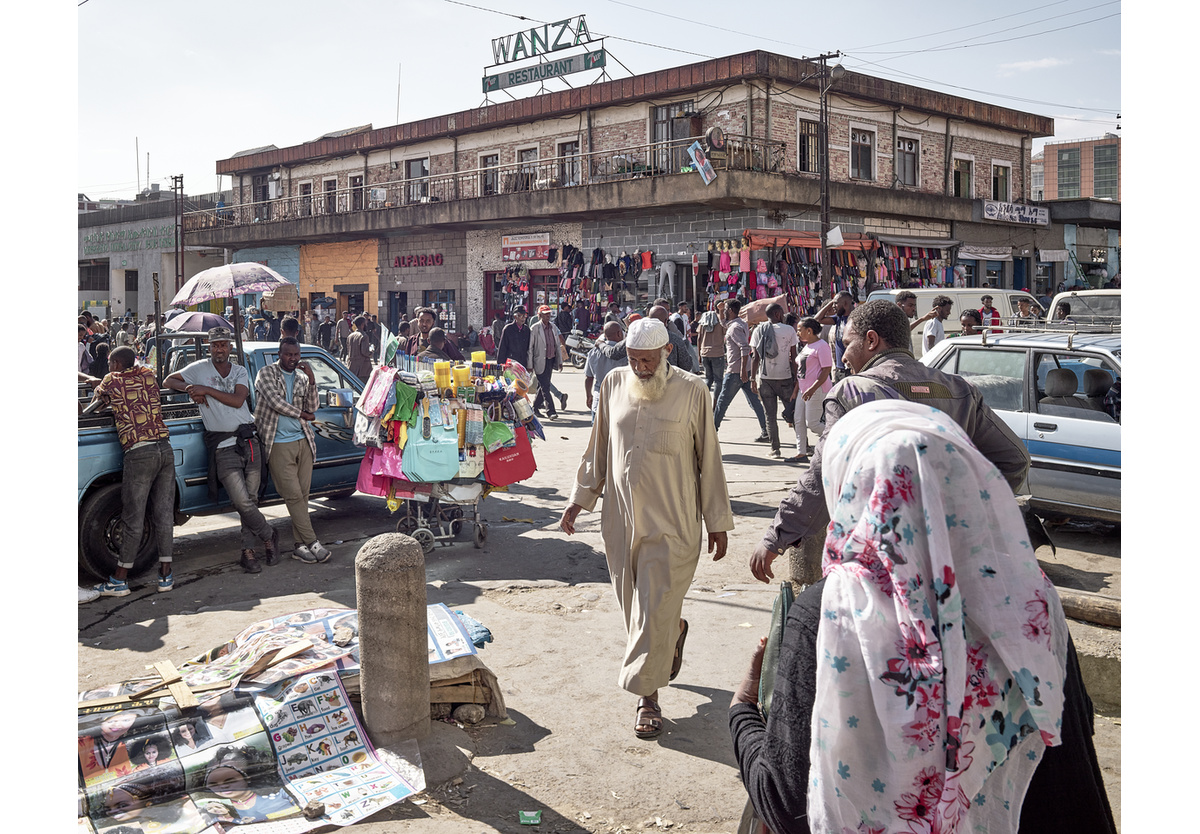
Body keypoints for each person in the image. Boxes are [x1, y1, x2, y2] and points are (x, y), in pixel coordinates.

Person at [730, 401, 1115, 834]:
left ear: (849, 487)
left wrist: (742, 711)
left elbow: (784, 804)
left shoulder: (831, 615)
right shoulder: (1030, 605)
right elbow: (1074, 747)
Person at [749, 300, 1030, 584]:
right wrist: (966, 513)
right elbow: (1015, 461)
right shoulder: (960, 390)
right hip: (952, 562)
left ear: (871, 340)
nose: (844, 356)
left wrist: (776, 537)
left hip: (882, 565)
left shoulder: (853, 392)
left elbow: (822, 478)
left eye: (847, 344)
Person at [560, 319, 733, 740]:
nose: (640, 367)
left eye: (647, 360)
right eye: (634, 360)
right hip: (620, 519)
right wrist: (579, 499)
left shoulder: (693, 390)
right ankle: (672, 632)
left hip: (673, 519)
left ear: (667, 354)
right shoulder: (614, 383)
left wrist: (718, 521)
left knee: (652, 605)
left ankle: (647, 698)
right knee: (634, 607)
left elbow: (709, 457)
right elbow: (598, 447)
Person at [165, 327, 279, 574]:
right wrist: (189, 389)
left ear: (230, 347)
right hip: (223, 446)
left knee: (251, 500)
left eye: (224, 344)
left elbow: (238, 400)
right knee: (242, 502)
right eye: (215, 344)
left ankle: (248, 553)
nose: (219, 348)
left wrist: (205, 390)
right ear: (209, 346)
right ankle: (269, 535)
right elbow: (168, 381)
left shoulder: (239, 370)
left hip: (249, 441)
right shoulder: (198, 369)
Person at [87, 346, 176, 596]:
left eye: (109, 363)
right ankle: (165, 576)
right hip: (165, 448)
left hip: (139, 452)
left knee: (133, 518)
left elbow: (95, 402)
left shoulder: (111, 380)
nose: (108, 366)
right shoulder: (148, 374)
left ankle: (119, 580)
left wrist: (104, 395)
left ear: (116, 364)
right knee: (163, 514)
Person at [253, 337, 332, 566]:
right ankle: (313, 542)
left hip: (303, 441)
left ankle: (299, 546)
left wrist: (313, 380)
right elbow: (276, 402)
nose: (293, 359)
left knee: (303, 496)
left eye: (296, 355)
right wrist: (301, 415)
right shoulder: (266, 373)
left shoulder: (301, 377)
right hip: (277, 443)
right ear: (280, 353)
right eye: (288, 354)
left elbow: (313, 407)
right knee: (294, 495)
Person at [712, 299, 768, 440]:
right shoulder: (739, 323)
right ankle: (766, 431)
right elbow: (723, 323)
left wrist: (742, 371)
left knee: (722, 403)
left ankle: (711, 433)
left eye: (725, 309)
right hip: (744, 369)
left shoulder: (735, 327)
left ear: (730, 310)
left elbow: (744, 347)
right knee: (754, 401)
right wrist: (719, 310)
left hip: (736, 371)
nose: (724, 312)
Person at [201, 744, 301, 823]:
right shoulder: (217, 810)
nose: (223, 786)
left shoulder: (281, 793)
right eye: (213, 784)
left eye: (230, 780)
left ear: (248, 777)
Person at [749, 302, 798, 459]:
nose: (783, 316)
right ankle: (802, 446)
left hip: (765, 378)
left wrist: (752, 379)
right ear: (777, 314)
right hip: (785, 378)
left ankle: (775, 449)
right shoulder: (789, 330)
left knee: (770, 417)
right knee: (793, 414)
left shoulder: (759, 330)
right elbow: (794, 356)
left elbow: (755, 357)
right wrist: (796, 378)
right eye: (782, 313)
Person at [788, 317, 831, 463]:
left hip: (816, 390)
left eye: (800, 330)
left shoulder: (822, 346)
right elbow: (802, 371)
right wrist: (796, 390)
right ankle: (801, 452)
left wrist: (812, 389)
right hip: (803, 390)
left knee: (812, 423)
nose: (797, 332)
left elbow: (826, 370)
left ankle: (836, 435)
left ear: (809, 331)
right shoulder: (807, 346)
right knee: (798, 420)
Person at [584, 321, 627, 422]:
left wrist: (589, 395)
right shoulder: (624, 353)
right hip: (619, 402)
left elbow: (588, 378)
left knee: (597, 436)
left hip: (598, 401)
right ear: (619, 334)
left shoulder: (593, 352)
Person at [528, 304, 563, 420]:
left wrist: (560, 361)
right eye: (545, 314)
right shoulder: (535, 328)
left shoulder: (553, 327)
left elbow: (557, 345)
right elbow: (530, 348)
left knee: (543, 386)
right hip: (539, 361)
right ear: (540, 316)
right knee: (545, 386)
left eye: (549, 314)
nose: (548, 316)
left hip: (550, 360)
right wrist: (530, 364)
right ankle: (551, 411)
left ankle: (535, 407)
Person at [815, 291, 854, 382]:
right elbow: (818, 319)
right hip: (839, 369)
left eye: (836, 303)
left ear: (845, 303)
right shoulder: (838, 319)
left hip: (851, 369)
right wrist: (831, 302)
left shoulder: (855, 318)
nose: (833, 306)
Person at [696, 304, 727, 393]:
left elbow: (699, 338)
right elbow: (725, 333)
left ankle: (704, 400)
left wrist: (699, 354)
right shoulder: (721, 321)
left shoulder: (703, 320)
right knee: (718, 380)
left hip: (704, 353)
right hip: (717, 353)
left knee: (708, 379)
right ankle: (716, 404)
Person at [346, 315, 373, 382]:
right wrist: (371, 351)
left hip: (352, 367)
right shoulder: (364, 336)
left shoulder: (350, 336)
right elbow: (365, 352)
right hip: (362, 369)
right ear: (362, 324)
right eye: (366, 324)